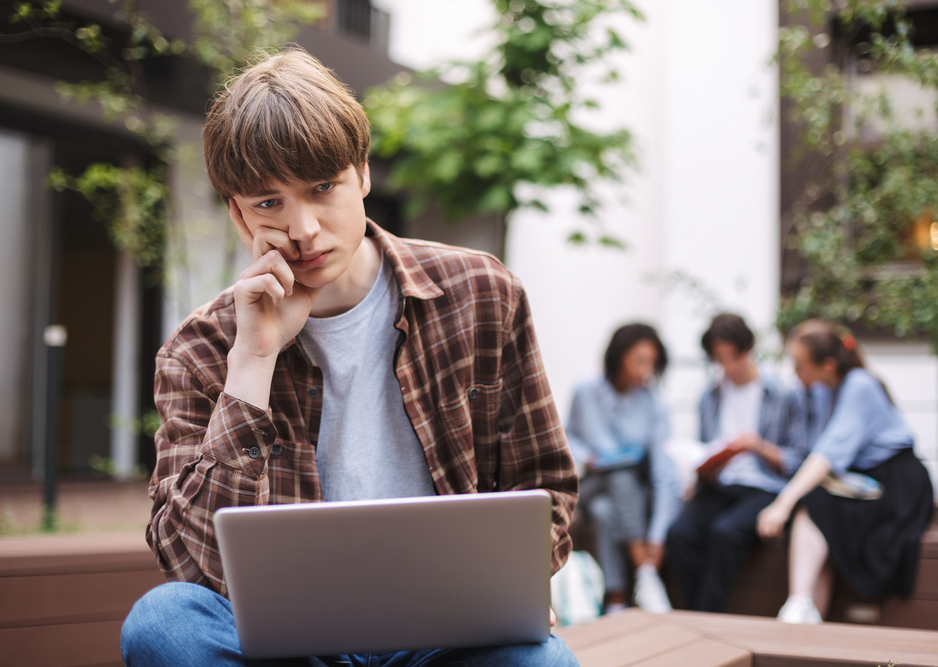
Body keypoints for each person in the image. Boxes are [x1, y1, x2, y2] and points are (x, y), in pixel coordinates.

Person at [119, 48, 579, 666]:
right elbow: (183, 560)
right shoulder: (198, 349)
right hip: (292, 643)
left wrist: (521, 580)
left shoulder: (479, 292)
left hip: (445, 632)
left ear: (362, 174)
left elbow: (543, 482)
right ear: (236, 212)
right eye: (268, 202)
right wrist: (253, 361)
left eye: (322, 187)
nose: (303, 228)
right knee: (162, 624)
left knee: (542, 662)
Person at [758, 319, 934, 624]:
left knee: (814, 504)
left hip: (895, 486)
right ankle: (805, 611)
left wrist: (782, 504)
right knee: (822, 512)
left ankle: (800, 606)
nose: (794, 372)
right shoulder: (826, 389)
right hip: (859, 482)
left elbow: (826, 456)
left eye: (799, 365)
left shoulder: (859, 386)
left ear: (826, 366)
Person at [666, 313, 808, 613]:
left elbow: (798, 460)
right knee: (679, 534)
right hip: (720, 484)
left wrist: (758, 446)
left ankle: (703, 619)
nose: (728, 366)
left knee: (725, 533)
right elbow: (705, 453)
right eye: (719, 359)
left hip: (763, 485)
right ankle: (703, 616)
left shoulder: (783, 393)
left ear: (748, 350)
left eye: (733, 357)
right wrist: (703, 466)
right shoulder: (710, 397)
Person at [565, 323, 680, 615]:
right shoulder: (585, 391)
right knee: (617, 473)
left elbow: (663, 472)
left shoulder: (654, 405)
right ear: (618, 357)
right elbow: (569, 435)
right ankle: (645, 574)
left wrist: (657, 533)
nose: (646, 370)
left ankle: (615, 598)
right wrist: (584, 455)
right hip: (591, 482)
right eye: (639, 361)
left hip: (630, 493)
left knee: (608, 509)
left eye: (652, 363)